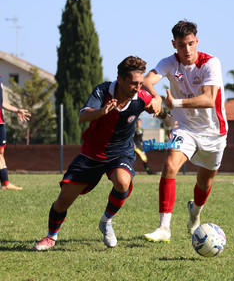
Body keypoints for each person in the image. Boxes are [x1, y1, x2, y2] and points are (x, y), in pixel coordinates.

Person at [33, 56, 174, 251]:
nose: (138, 87)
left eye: (140, 83)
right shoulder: (102, 91)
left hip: (120, 154)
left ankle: (106, 221)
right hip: (92, 154)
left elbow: (157, 109)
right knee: (63, 201)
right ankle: (51, 236)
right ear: (120, 79)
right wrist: (102, 111)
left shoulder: (141, 96)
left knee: (123, 181)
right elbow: (83, 115)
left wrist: (167, 118)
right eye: (134, 83)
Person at [142, 20, 228, 243]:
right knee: (170, 165)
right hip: (185, 129)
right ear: (174, 44)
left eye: (191, 44)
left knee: (204, 184)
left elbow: (209, 99)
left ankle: (195, 212)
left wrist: (174, 104)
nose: (187, 50)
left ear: (197, 41)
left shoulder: (211, 63)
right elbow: (145, 80)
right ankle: (164, 228)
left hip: (213, 132)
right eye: (181, 45)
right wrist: (155, 97)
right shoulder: (169, 63)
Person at [0, 75, 31, 190]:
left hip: (1, 121)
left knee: (1, 152)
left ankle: (5, 183)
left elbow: (1, 101)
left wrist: (16, 110)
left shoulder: (0, 78)